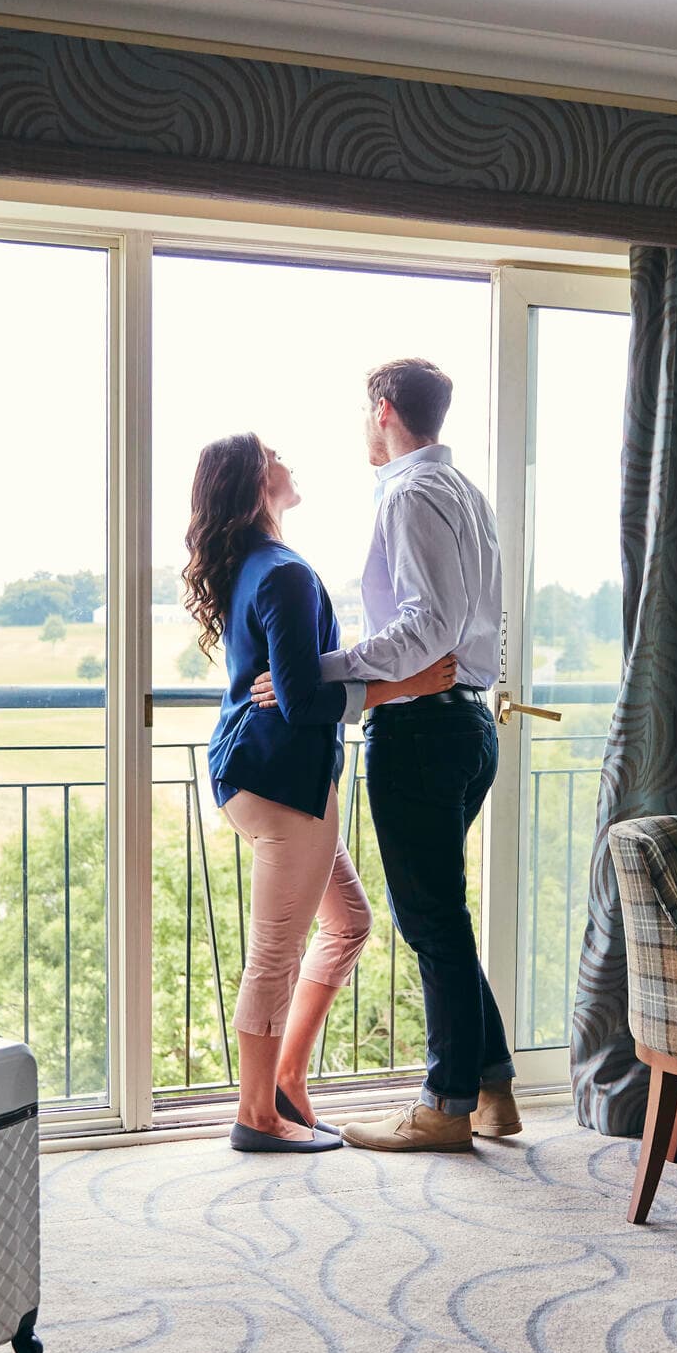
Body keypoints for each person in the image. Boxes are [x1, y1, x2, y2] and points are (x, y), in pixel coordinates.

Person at [249, 358, 513, 1152]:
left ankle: (444, 1104)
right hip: (466, 725)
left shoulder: (409, 493)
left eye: (366, 413)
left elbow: (425, 631)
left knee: (431, 917)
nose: (364, 427)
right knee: (443, 915)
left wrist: (316, 670)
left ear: (385, 409)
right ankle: (493, 1088)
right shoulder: (465, 492)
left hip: (426, 730)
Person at [185, 433, 457, 1154]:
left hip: (262, 776)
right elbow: (303, 702)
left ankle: (288, 1080)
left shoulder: (256, 566)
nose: (289, 460)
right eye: (275, 453)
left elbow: (291, 688)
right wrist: (412, 684)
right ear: (254, 483)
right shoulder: (284, 574)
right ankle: (256, 1116)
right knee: (274, 954)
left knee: (350, 921)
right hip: (282, 783)